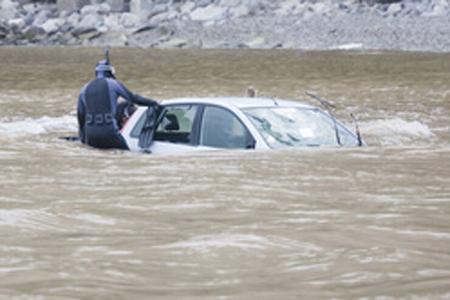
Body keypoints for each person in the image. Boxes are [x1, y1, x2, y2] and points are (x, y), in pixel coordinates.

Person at [77, 56, 158, 150]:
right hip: (109, 131)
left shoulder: (84, 89)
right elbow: (133, 98)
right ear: (110, 72)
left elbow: (81, 117)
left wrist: (83, 138)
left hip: (90, 135)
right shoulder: (113, 84)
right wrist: (153, 103)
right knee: (126, 154)